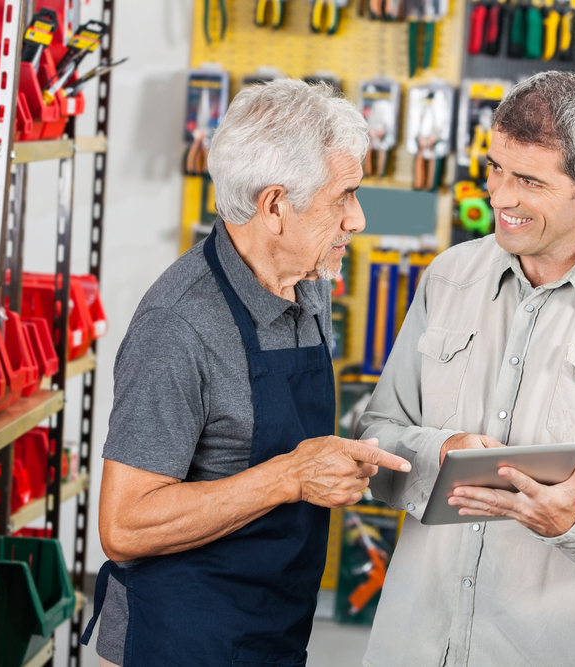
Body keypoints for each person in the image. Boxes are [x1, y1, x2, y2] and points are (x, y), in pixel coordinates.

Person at [357, 71, 575, 667]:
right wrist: (438, 453)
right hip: (416, 644)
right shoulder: (447, 278)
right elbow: (378, 435)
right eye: (495, 168)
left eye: (528, 180)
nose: (499, 197)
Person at [80, 78, 411, 667]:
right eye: (344, 196)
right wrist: (288, 477)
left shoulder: (307, 284)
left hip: (274, 633)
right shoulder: (178, 327)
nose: (357, 220)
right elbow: (124, 524)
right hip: (178, 641)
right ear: (275, 206)